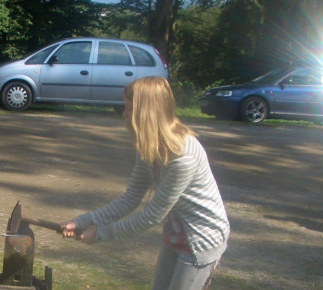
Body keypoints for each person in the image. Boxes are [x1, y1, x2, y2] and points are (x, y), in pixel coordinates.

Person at [60, 77, 230, 290]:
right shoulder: (149, 148)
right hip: (177, 235)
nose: (124, 114)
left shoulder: (183, 157)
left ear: (147, 114)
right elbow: (130, 198)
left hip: (202, 240)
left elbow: (152, 215)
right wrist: (82, 221)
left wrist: (100, 234)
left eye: (129, 109)